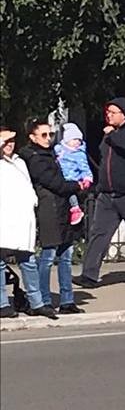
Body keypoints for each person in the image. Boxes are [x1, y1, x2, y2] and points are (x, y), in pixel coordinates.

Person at [75, 97, 125, 290]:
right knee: (99, 234)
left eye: (113, 112)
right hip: (107, 194)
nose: (108, 116)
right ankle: (89, 275)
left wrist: (113, 137)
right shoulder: (110, 135)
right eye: (108, 112)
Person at [20, 120, 89, 317]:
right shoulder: (34, 157)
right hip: (48, 209)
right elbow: (54, 183)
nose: (48, 138)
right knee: (48, 257)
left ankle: (67, 300)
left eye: (50, 134)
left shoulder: (53, 153)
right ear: (32, 137)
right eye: (43, 135)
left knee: (66, 256)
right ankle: (44, 299)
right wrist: (77, 186)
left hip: (62, 208)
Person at [0, 128, 39, 319]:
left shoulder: (19, 162)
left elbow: (27, 185)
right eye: (5, 141)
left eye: (12, 141)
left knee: (28, 261)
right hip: (5, 220)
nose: (10, 145)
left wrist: (32, 200)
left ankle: (36, 301)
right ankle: (2, 304)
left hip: (22, 220)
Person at [54, 122, 92, 226]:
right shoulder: (59, 149)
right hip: (61, 176)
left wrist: (87, 178)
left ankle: (76, 208)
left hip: (72, 177)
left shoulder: (79, 154)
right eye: (74, 139)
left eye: (79, 140)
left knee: (71, 194)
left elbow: (85, 167)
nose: (77, 142)